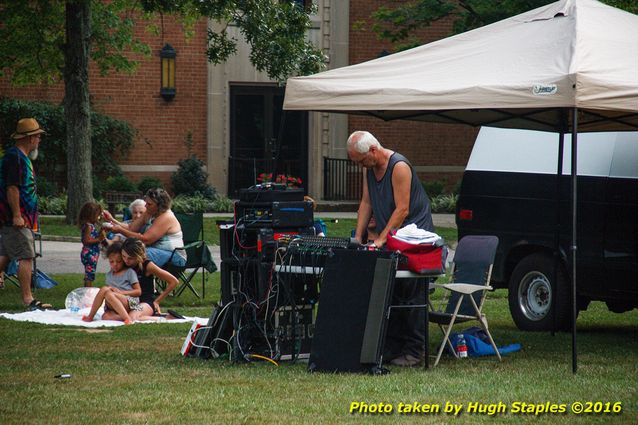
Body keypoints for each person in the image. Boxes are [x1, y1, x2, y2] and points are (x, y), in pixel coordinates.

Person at [347, 130, 434, 367]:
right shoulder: (369, 169)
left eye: (361, 160)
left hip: (414, 240)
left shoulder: (399, 167)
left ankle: (416, 351)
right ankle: (392, 348)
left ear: (373, 150)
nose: (360, 165)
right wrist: (358, 237)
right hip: (392, 237)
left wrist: (381, 240)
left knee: (411, 293)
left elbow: (402, 209)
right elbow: (366, 203)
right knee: (389, 291)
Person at [0, 117, 51, 311]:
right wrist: (16, 215)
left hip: (20, 219)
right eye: (38, 137)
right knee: (26, 256)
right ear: (30, 138)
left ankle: (28, 297)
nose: (39, 140)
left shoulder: (21, 157)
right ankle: (28, 298)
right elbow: (12, 188)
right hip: (17, 219)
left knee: (4, 255)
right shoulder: (16, 157)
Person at [103, 188, 185, 267]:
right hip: (156, 250)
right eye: (146, 203)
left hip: (174, 256)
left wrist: (120, 230)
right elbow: (131, 227)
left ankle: (139, 280)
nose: (146, 206)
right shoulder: (150, 212)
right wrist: (112, 220)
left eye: (149, 204)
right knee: (123, 252)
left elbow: (146, 239)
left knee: (133, 254)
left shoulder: (166, 217)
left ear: (160, 205)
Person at [121, 238, 183, 321]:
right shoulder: (124, 264)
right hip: (131, 301)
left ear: (139, 256)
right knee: (108, 316)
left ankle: (165, 318)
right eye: (124, 256)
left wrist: (157, 301)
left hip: (145, 302)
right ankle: (156, 316)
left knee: (133, 317)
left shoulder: (147, 265)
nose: (126, 261)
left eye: (130, 258)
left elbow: (173, 281)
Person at [82, 241, 141, 324]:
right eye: (111, 262)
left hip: (131, 302)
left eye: (119, 261)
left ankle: (128, 319)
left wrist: (122, 292)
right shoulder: (109, 275)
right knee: (105, 316)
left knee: (107, 292)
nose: (115, 264)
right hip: (115, 304)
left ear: (123, 260)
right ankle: (126, 316)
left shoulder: (129, 272)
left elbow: (138, 291)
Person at [78, 201, 107, 287]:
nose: (98, 217)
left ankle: (87, 289)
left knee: (89, 273)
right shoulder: (88, 226)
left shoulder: (90, 225)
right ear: (90, 215)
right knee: (89, 275)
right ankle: (88, 291)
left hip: (91, 253)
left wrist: (102, 230)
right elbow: (86, 240)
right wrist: (99, 239)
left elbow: (94, 237)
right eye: (97, 215)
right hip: (90, 254)